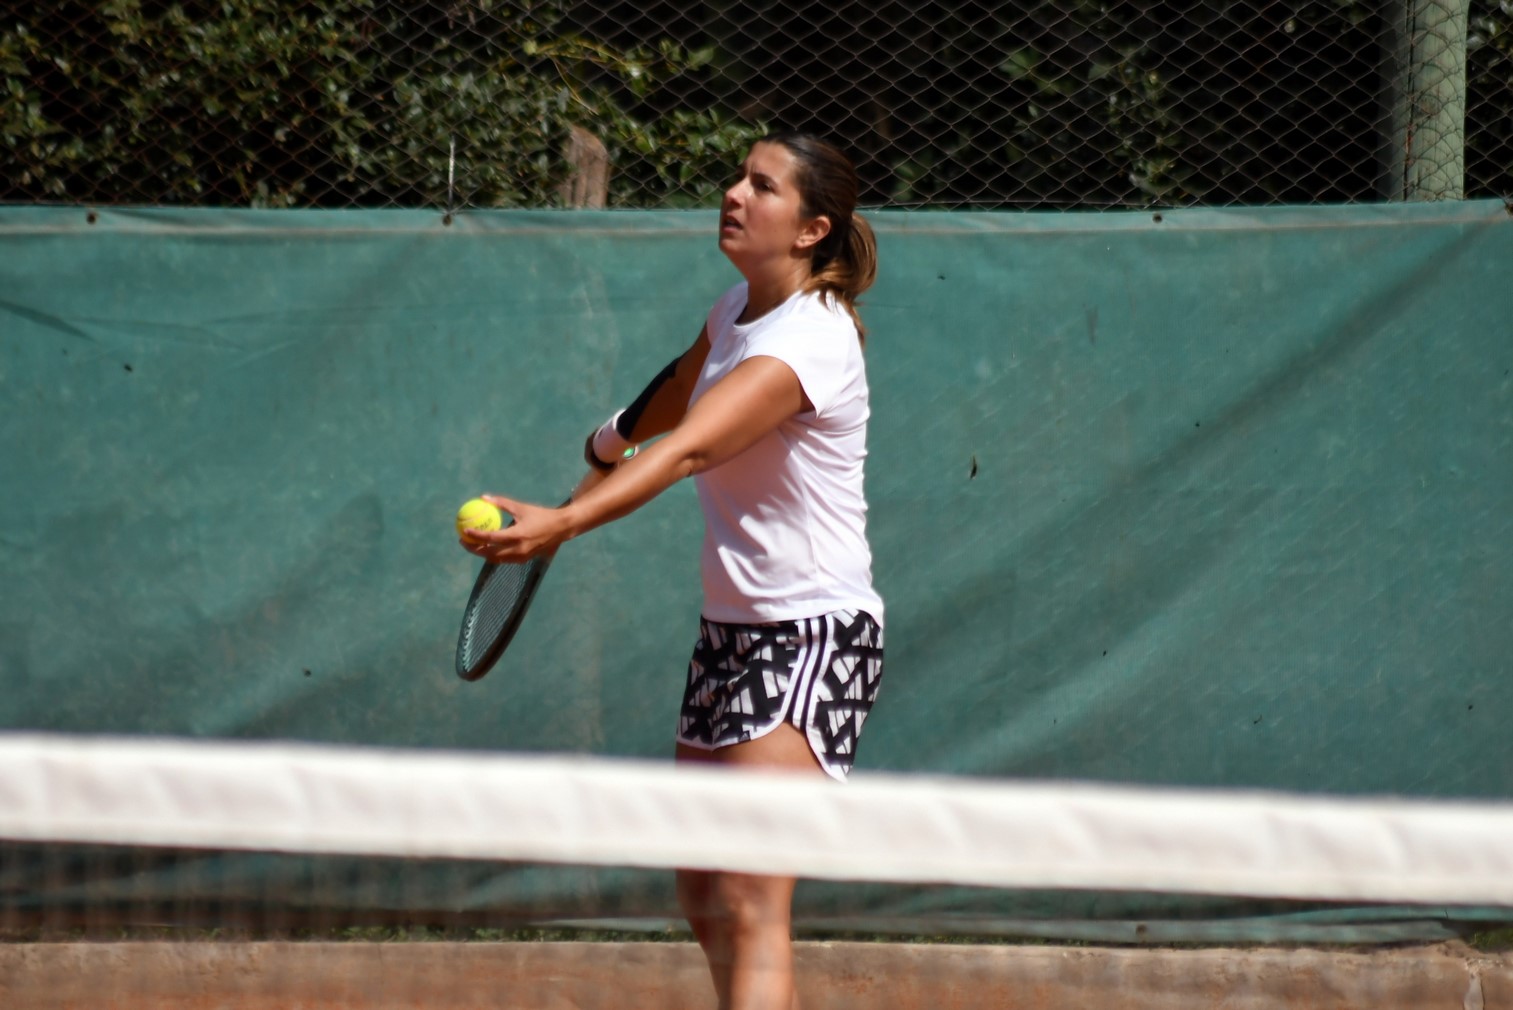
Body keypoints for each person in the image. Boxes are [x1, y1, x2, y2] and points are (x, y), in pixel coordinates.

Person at [461, 131, 884, 1010]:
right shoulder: (734, 309)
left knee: (751, 894)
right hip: (729, 633)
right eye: (738, 177)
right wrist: (603, 446)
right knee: (703, 895)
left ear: (811, 230)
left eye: (761, 187)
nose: (734, 194)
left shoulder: (812, 339)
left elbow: (690, 446)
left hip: (811, 633)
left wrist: (565, 521)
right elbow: (678, 389)